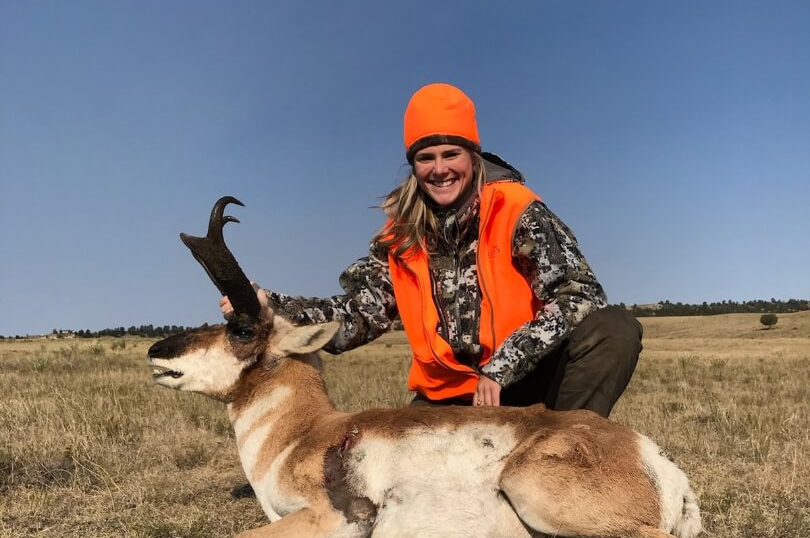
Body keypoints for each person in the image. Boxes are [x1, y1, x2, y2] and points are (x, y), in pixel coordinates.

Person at [221, 83, 642, 416]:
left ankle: (568, 454)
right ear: (413, 165)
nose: (440, 169)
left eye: (451, 154)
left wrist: (503, 366)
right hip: (450, 398)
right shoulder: (400, 236)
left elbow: (580, 295)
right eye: (426, 158)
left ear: (473, 156)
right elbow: (358, 316)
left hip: (526, 380)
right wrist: (271, 307)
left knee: (614, 329)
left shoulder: (516, 210)